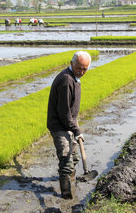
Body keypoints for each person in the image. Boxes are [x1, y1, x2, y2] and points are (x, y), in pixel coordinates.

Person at [47, 51, 91, 199]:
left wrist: (74, 125)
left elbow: (69, 111)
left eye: (85, 69)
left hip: (69, 123)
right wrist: (77, 130)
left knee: (74, 157)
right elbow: (64, 112)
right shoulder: (66, 80)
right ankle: (67, 197)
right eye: (79, 68)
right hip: (60, 126)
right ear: (72, 64)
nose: (82, 72)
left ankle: (72, 183)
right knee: (66, 161)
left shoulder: (75, 77)